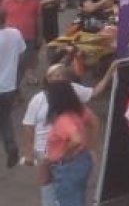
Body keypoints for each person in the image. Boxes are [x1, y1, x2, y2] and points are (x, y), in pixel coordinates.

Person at [42, 75, 97, 206]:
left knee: (69, 200)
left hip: (67, 167)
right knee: (78, 197)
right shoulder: (78, 111)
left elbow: (76, 139)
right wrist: (90, 146)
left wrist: (64, 154)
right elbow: (94, 122)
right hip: (82, 160)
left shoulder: (63, 120)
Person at [0, 5, 28, 167]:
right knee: (5, 118)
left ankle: (11, 147)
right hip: (9, 86)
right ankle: (11, 146)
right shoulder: (14, 33)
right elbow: (22, 52)